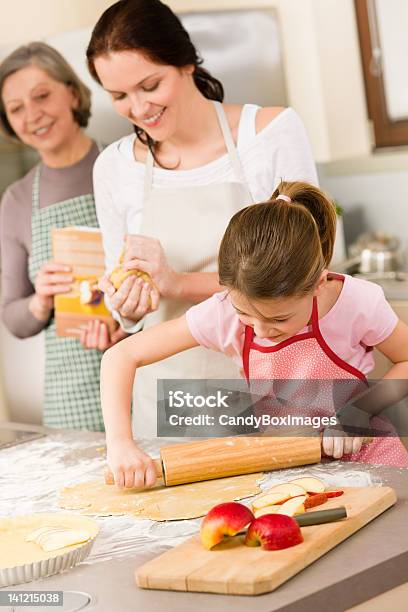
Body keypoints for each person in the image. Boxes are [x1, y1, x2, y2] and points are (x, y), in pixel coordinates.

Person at [86, 0, 320, 438]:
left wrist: (177, 283)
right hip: (173, 399)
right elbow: (122, 303)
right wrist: (128, 304)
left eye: (149, 85)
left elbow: (309, 275)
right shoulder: (114, 168)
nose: (138, 109)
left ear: (187, 62)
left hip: (278, 387)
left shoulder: (269, 135)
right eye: (119, 96)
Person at [100, 180, 408, 488]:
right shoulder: (222, 312)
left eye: (279, 318)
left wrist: (358, 413)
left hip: (373, 463)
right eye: (245, 314)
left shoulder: (355, 301)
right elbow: (121, 355)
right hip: (290, 467)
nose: (260, 330)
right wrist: (120, 443)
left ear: (318, 284)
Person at [0, 42, 127, 430]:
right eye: (16, 108)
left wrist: (127, 327)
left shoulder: (125, 164)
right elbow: (13, 318)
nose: (32, 115)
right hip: (71, 398)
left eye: (42, 96)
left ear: (72, 93)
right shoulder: (18, 199)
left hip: (143, 373)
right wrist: (40, 301)